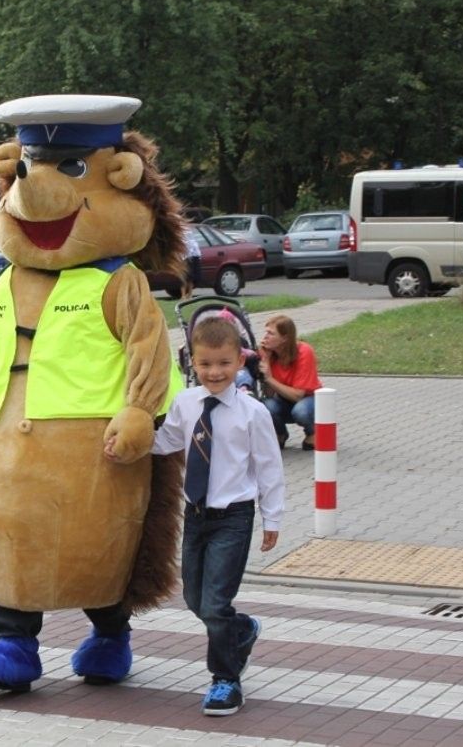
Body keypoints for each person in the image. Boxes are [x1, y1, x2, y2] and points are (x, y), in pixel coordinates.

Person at [148, 317, 286, 716]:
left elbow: (269, 468)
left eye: (224, 363)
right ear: (193, 361)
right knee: (195, 598)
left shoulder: (252, 412)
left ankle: (225, 680)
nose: (215, 373)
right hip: (195, 515)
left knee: (215, 602)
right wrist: (134, 443)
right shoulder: (186, 402)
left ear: (239, 360)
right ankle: (241, 630)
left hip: (233, 517)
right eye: (206, 364)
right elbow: (169, 440)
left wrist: (271, 518)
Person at [258, 314, 322, 451]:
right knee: (264, 406)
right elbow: (269, 394)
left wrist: (269, 378)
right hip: (284, 400)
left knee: (301, 411)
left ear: (284, 338)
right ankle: (280, 434)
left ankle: (313, 433)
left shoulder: (304, 351)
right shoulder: (268, 354)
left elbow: (298, 395)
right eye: (266, 332)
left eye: (271, 333)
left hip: (309, 399)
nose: (265, 337)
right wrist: (266, 361)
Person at [181, 227, 202, 299]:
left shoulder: (192, 237)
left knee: (191, 277)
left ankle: (189, 294)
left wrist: (198, 255)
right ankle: (183, 295)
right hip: (186, 258)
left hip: (193, 256)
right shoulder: (183, 237)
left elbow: (195, 246)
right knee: (185, 277)